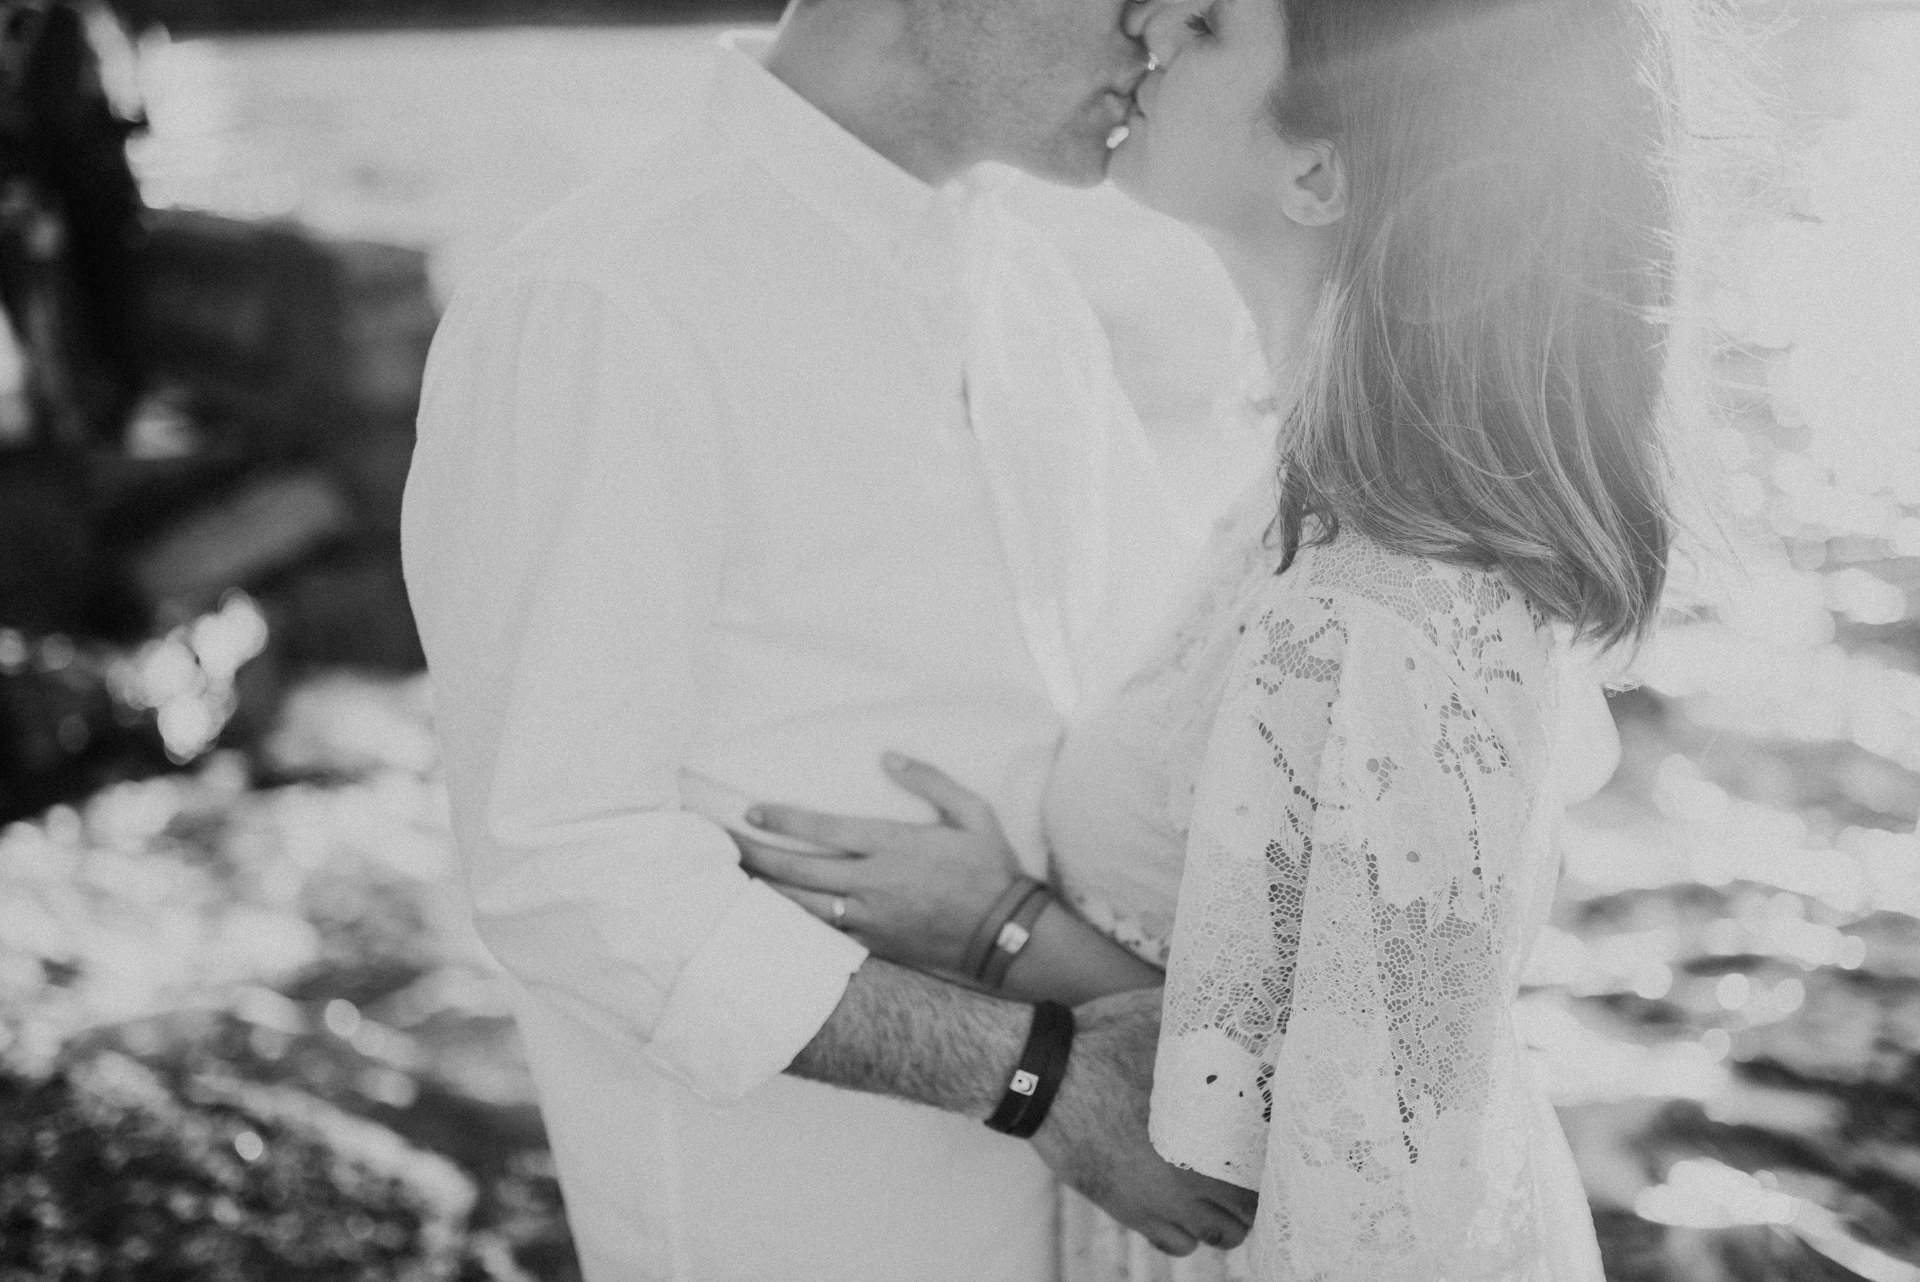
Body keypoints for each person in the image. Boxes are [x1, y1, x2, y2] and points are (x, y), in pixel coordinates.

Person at [737, 0, 1690, 1276]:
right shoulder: (1294, 493)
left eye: (1207, 23)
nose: (1146, 23)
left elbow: (1356, 1160)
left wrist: (998, 928)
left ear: (1316, 171)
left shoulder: (1391, 602)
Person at [399, 0, 1264, 1274]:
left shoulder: (1023, 286)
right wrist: (1037, 1075)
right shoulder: (599, 301)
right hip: (809, 1225)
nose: (1167, 31)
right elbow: (563, 863)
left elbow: (1151, 716)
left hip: (1088, 1225)